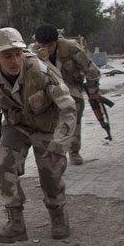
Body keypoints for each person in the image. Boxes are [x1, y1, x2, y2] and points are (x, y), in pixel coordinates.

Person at [0, 27, 77, 243]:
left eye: (18, 54)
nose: (15, 61)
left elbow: (68, 109)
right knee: (5, 169)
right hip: (17, 126)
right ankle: (16, 224)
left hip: (47, 128)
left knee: (50, 175)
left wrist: (60, 144)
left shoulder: (40, 71)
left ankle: (58, 216)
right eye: (7, 56)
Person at [31, 24, 103, 165]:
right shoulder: (32, 52)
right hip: (47, 90)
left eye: (50, 45)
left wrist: (93, 92)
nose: (46, 49)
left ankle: (74, 151)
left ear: (56, 41)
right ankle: (51, 151)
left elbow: (91, 70)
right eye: (42, 45)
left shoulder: (71, 48)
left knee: (73, 115)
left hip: (70, 87)